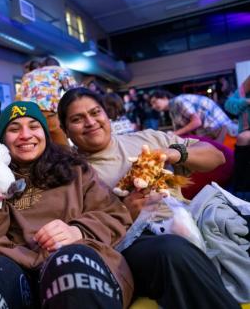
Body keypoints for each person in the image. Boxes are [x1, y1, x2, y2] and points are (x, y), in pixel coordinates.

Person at [57, 87, 239, 309]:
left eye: (95, 112)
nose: (90, 122)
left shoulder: (147, 138)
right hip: (133, 242)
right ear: (65, 130)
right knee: (173, 251)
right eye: (77, 119)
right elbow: (83, 230)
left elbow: (217, 157)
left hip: (186, 219)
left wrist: (175, 154)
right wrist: (126, 212)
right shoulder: (72, 173)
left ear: (107, 114)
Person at [0, 101, 133, 308]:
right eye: (14, 129)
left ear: (45, 132)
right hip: (17, 270)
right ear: (1, 141)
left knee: (69, 263)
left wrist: (78, 230)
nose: (25, 135)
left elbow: (117, 215)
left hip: (77, 260)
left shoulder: (76, 170)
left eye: (34, 126)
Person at [17, 56, 81, 145]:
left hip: (26, 116)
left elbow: (18, 98)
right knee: (63, 151)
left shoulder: (27, 75)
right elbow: (75, 92)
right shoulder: (58, 70)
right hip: (48, 114)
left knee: (39, 149)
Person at [149, 89, 237, 142]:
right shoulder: (172, 111)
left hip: (223, 132)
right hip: (214, 133)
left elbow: (196, 122)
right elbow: (180, 132)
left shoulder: (178, 101)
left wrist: (174, 133)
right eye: (151, 105)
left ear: (164, 97)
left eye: (154, 102)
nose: (153, 106)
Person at [225, 75, 250, 198]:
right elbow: (229, 105)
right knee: (243, 138)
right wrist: (246, 101)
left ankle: (241, 190)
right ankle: (241, 190)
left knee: (244, 138)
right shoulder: (243, 92)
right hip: (244, 132)